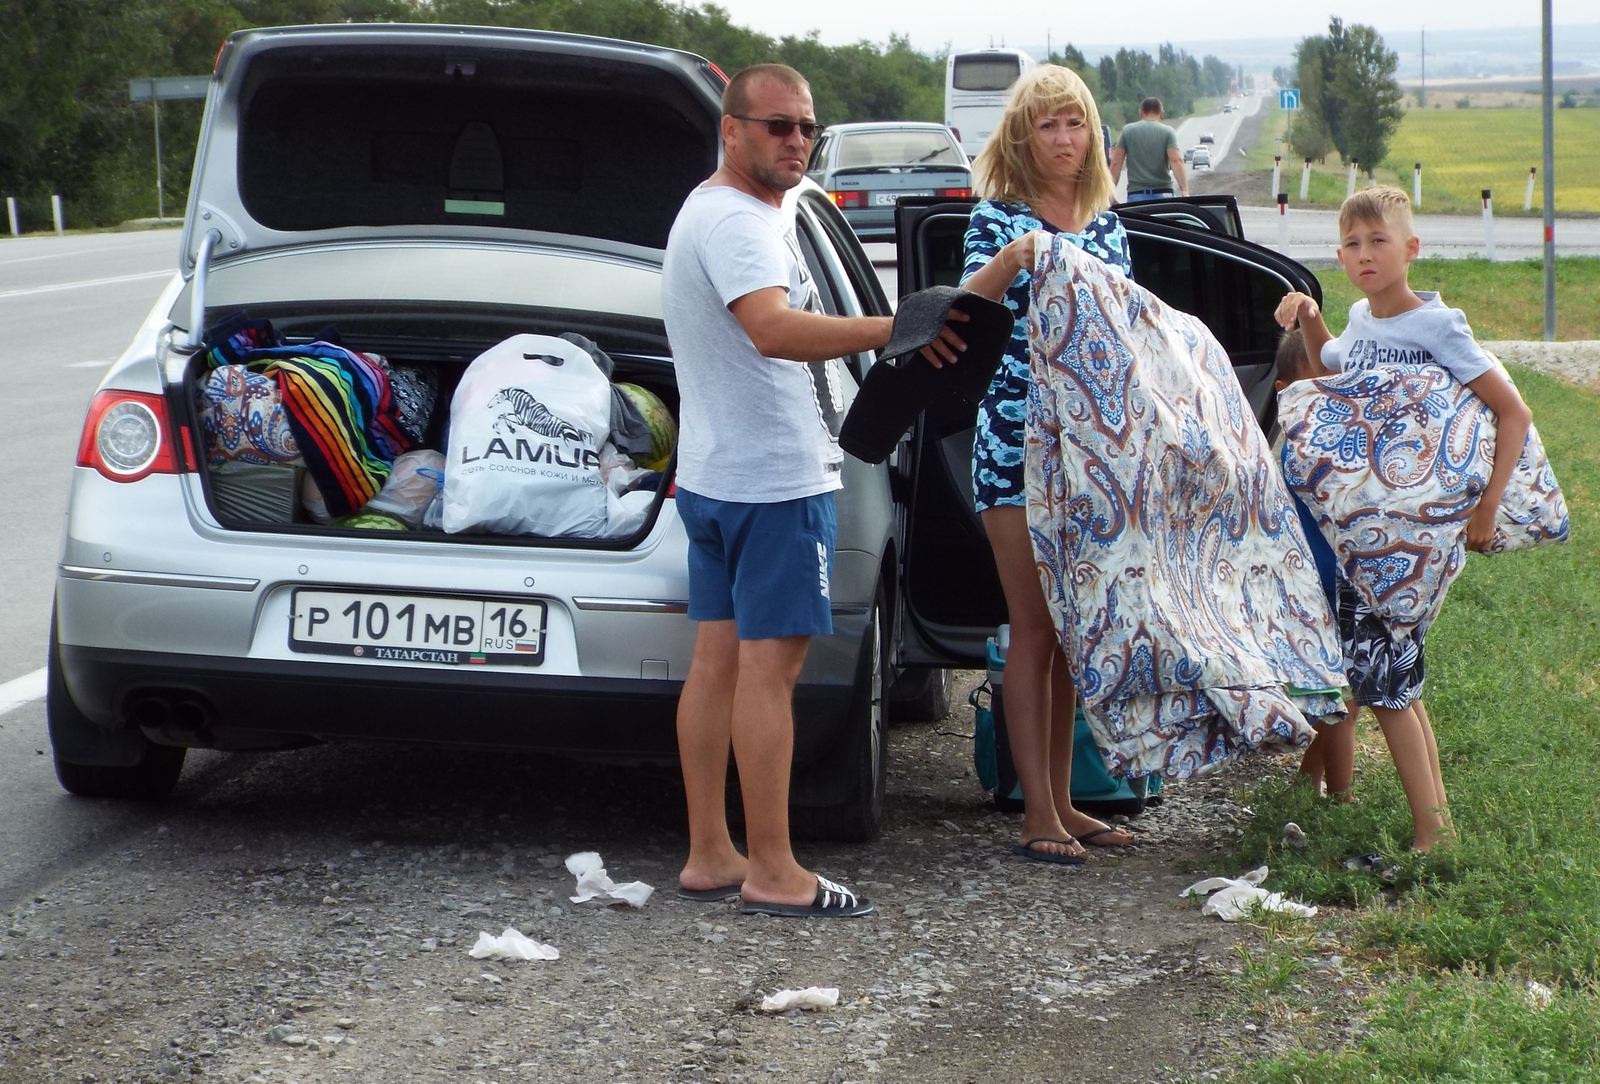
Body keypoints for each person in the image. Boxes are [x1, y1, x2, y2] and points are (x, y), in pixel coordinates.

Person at [662, 63, 965, 916]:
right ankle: (774, 868)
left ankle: (710, 855)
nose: (795, 140)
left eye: (805, 127)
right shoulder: (742, 225)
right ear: (731, 129)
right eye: (775, 126)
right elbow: (771, 329)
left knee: (717, 666)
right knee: (770, 674)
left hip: (716, 478)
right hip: (773, 485)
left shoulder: (718, 208)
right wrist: (900, 328)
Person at [1274, 185, 1533, 852]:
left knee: (1384, 687)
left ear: (1411, 249)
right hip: (1363, 541)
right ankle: (1436, 824)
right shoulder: (1362, 321)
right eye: (1353, 245)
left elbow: (1513, 412)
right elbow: (1333, 358)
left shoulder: (1438, 326)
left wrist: (1487, 506)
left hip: (1409, 545)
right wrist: (1308, 313)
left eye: (1378, 241)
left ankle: (1430, 836)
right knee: (1396, 682)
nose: (1365, 255)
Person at [958, 64, 1137, 865]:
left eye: (1076, 124)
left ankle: (1065, 801)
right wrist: (1016, 259)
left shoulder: (1107, 223)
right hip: (1013, 445)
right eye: (1048, 125)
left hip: (1088, 453)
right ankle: (1034, 813)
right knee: (1032, 627)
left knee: (1068, 630)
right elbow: (963, 311)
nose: (1065, 140)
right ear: (1022, 136)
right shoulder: (996, 218)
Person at [1273, 329, 1358, 802]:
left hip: (1337, 584)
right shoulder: (1303, 449)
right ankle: (1342, 799)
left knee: (1345, 694)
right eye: (1320, 388)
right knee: (1340, 701)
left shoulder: (1317, 443)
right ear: (1287, 392)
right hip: (1321, 588)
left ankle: (1309, 779)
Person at [1108, 97, 1189, 202]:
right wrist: (1185, 190)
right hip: (1164, 194)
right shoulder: (1168, 132)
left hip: (1137, 195)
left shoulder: (1127, 131)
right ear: (1161, 112)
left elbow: (1116, 163)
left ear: (1140, 112)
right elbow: (1176, 160)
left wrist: (1110, 193)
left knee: (1137, 219)